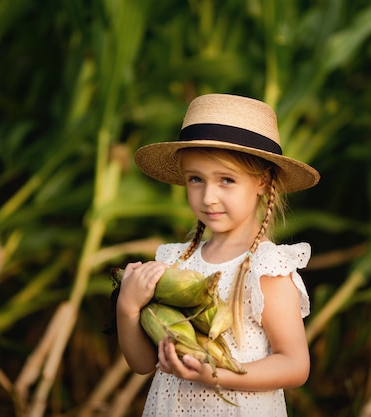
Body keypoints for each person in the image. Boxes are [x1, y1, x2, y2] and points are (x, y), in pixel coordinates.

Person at [116, 93, 320, 416]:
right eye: (195, 179)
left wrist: (217, 375)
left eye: (226, 180)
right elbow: (142, 363)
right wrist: (127, 308)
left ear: (263, 182)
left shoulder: (265, 270)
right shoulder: (174, 262)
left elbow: (295, 365)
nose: (208, 197)